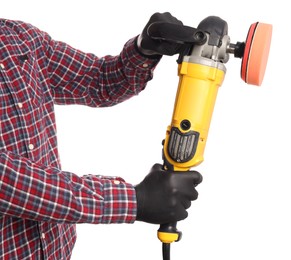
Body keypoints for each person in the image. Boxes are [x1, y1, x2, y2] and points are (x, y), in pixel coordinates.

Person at [0, 12, 202, 259]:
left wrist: (143, 49)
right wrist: (134, 200)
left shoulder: (18, 39)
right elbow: (7, 180)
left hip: (56, 251)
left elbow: (98, 80)